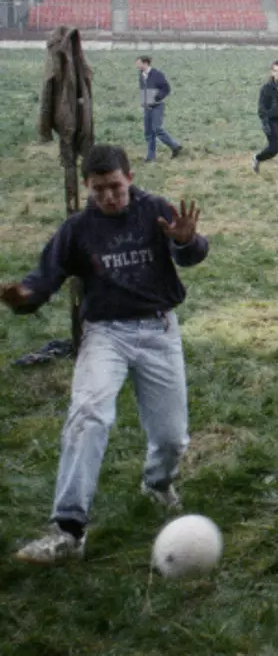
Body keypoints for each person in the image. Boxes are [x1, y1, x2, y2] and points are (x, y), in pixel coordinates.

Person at [4, 145, 207, 564]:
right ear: (87, 187)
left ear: (129, 178)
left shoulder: (154, 209)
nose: (109, 198)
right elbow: (43, 279)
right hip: (105, 334)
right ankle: (68, 528)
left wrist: (188, 243)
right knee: (89, 415)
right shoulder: (78, 229)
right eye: (99, 190)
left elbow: (190, 253)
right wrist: (23, 297)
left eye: (115, 187)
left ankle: (156, 483)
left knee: (171, 437)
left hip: (158, 327)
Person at [137, 56, 181, 162]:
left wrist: (157, 97)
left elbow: (166, 88)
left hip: (157, 106)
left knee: (157, 129)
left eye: (138, 63)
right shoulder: (141, 75)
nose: (137, 66)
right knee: (148, 132)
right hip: (147, 106)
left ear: (145, 63)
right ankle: (150, 157)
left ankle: (175, 146)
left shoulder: (157, 74)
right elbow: (143, 90)